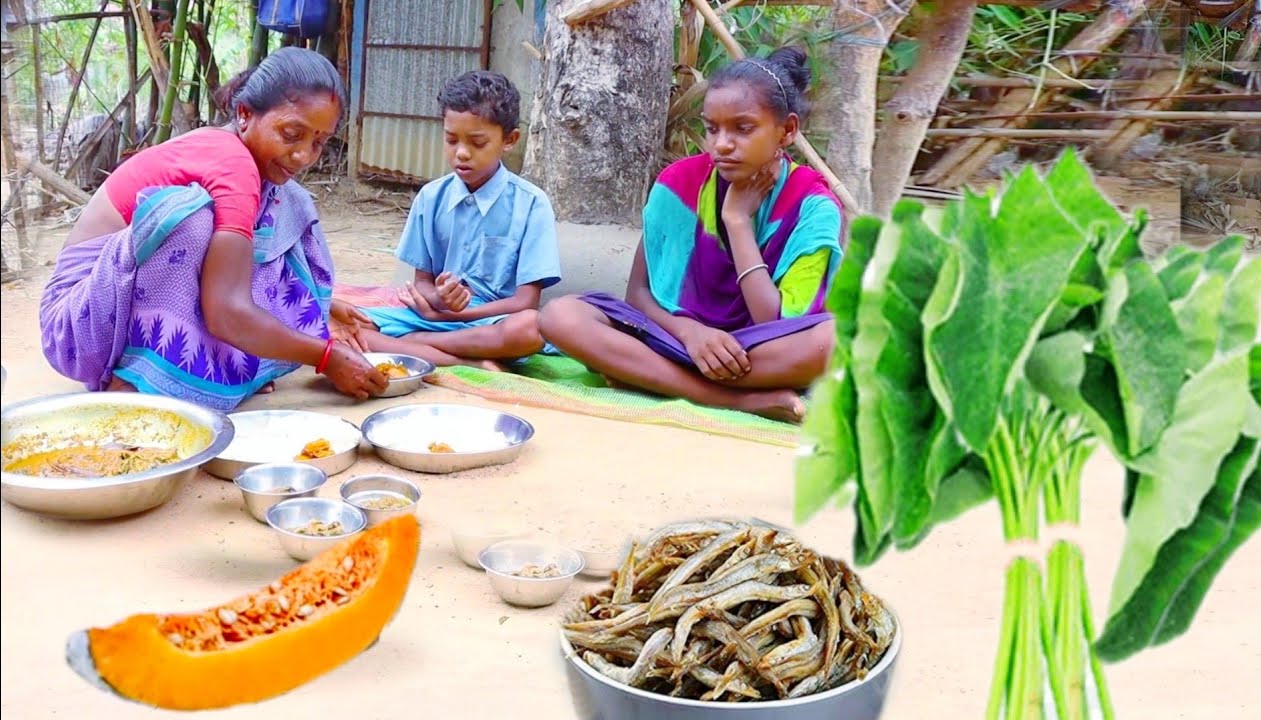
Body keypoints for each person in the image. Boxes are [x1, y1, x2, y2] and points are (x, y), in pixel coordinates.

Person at [39, 47, 388, 411]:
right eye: (291, 134)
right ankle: (138, 377)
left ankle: (221, 368)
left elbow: (236, 270)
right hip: (79, 328)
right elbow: (224, 311)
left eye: (318, 142)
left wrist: (324, 304)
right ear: (244, 115)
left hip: (113, 309)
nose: (303, 155)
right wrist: (327, 357)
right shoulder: (232, 163)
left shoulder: (249, 164)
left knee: (290, 202)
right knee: (190, 220)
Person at [537, 47, 842, 423]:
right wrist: (692, 332)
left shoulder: (814, 206)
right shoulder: (677, 184)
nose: (722, 144)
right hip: (676, 339)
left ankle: (650, 376)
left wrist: (737, 220)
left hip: (756, 349)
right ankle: (731, 399)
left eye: (742, 129)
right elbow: (638, 294)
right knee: (560, 316)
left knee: (835, 340)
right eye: (712, 128)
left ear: (788, 130)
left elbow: (774, 323)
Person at [354, 70, 561, 368]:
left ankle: (419, 347)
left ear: (509, 140)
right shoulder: (430, 198)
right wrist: (438, 299)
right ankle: (472, 363)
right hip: (436, 317)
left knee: (530, 327)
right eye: (451, 140)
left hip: (492, 322)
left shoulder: (531, 204)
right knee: (349, 324)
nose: (461, 153)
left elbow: (525, 302)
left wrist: (452, 314)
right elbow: (422, 283)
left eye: (477, 143)